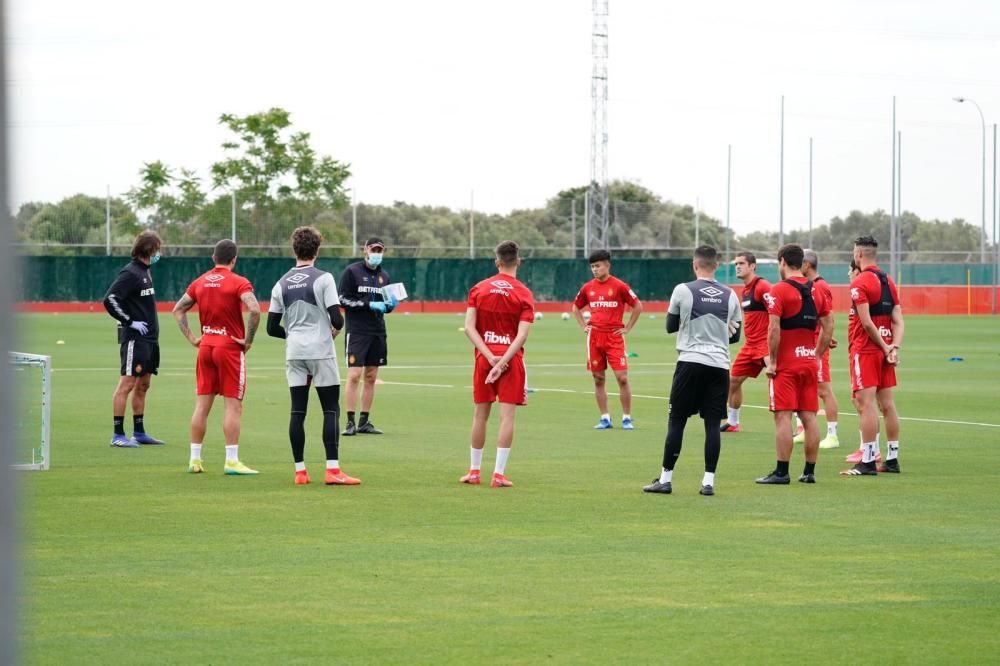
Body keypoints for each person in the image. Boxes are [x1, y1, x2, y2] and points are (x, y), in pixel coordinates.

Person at [643, 245, 742, 497]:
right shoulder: (731, 294)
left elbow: (670, 326)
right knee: (712, 425)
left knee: (677, 421)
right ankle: (708, 483)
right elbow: (736, 335)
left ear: (694, 264)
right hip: (719, 365)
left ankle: (665, 479)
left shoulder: (682, 290)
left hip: (689, 361)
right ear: (717, 265)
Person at [267, 226, 360, 486]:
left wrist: (293, 336)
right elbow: (337, 319)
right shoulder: (324, 278)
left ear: (294, 250)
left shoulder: (280, 283)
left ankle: (300, 472)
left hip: (294, 353)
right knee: (330, 409)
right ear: (317, 250)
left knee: (297, 411)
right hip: (320, 351)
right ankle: (332, 470)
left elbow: (271, 328)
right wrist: (333, 330)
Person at [172, 239, 261, 475]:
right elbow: (254, 309)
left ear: (213, 258)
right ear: (234, 260)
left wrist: (192, 337)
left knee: (202, 405)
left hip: (206, 346)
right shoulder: (239, 282)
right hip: (229, 347)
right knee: (233, 405)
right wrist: (249, 340)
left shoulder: (199, 282)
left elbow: (178, 309)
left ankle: (194, 460)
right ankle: (231, 461)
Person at [756, 243, 833, 485]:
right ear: (802, 263)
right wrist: (818, 355)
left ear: (782, 262)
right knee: (809, 417)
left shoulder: (779, 290)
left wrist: (773, 361)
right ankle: (809, 472)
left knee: (783, 417)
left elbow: (774, 329)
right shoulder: (816, 290)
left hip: (787, 364)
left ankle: (782, 472)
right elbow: (829, 325)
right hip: (809, 361)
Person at [461, 240, 535, 488]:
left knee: (480, 415)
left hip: (485, 357)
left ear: (497, 262)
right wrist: (503, 361)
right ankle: (498, 474)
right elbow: (522, 335)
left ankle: (473, 471)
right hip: (511, 361)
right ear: (518, 261)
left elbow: (469, 328)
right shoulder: (524, 293)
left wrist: (489, 357)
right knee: (507, 417)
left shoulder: (479, 288)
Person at [841, 235, 904, 476]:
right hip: (886, 349)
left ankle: (867, 461)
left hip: (867, 350)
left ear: (858, 255)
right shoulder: (888, 280)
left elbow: (866, 323)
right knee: (887, 405)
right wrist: (893, 347)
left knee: (865, 404)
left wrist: (884, 347)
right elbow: (898, 319)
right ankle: (892, 458)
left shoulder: (859, 283)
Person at [102, 229, 166, 448]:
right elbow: (110, 299)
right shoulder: (130, 272)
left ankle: (139, 432)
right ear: (149, 249)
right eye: (158, 249)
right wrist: (129, 321)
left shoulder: (146, 272)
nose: (160, 253)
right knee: (126, 384)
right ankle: (118, 434)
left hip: (150, 340)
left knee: (144, 384)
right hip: (135, 340)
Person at [571, 249, 643, 429]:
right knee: (598, 378)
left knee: (622, 378)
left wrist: (627, 327)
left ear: (607, 265)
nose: (595, 269)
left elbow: (638, 306)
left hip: (614, 337)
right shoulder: (588, 287)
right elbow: (575, 307)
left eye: (598, 266)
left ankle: (626, 417)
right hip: (594, 336)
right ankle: (605, 418)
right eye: (592, 267)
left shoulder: (619, 286)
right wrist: (583, 326)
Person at [338, 237, 398, 436]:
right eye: (374, 249)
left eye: (380, 250)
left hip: (377, 331)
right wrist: (367, 304)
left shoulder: (385, 276)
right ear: (365, 250)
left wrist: (390, 306)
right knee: (354, 375)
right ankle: (349, 421)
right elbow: (342, 299)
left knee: (371, 377)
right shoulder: (352, 271)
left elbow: (386, 304)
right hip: (357, 331)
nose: (377, 253)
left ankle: (364, 421)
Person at [792, 249, 841, 449]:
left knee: (823, 390)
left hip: (815, 347)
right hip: (805, 344)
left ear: (806, 265)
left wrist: (824, 342)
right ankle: (803, 429)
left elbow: (828, 318)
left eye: (798, 263)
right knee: (802, 387)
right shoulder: (809, 286)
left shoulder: (820, 286)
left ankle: (833, 435)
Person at [720, 251, 773, 432]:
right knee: (732, 381)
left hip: (765, 345)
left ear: (752, 266)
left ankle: (800, 426)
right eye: (736, 264)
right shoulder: (746, 290)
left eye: (742, 263)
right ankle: (733, 422)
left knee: (780, 382)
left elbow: (777, 309)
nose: (738, 266)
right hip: (750, 345)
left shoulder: (762, 286)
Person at [843, 259, 882, 465]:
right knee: (860, 401)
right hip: (856, 351)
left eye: (850, 270)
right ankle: (867, 448)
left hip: (863, 351)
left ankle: (870, 451)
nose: (848, 274)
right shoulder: (859, 294)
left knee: (864, 403)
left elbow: (867, 323)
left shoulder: (861, 289)